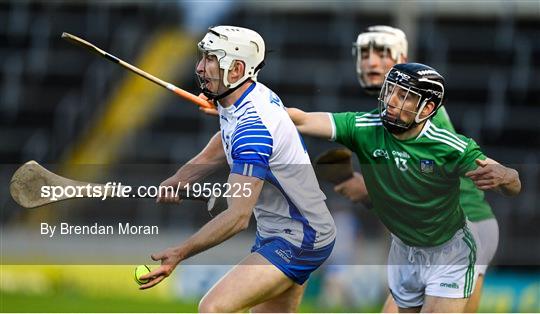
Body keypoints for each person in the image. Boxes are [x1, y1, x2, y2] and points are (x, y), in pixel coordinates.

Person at [287, 62, 521, 312]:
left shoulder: (449, 146)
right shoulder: (365, 127)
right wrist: (262, 106)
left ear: (427, 108)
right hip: (403, 251)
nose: (391, 100)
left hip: (449, 252)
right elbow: (302, 120)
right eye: (390, 91)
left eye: (404, 96)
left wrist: (507, 176)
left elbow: (513, 183)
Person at [139, 25, 336, 313]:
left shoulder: (252, 130)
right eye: (202, 57)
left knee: (213, 308)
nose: (200, 68)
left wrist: (180, 253)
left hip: (300, 237)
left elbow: (237, 216)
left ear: (236, 69)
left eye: (210, 60)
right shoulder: (245, 99)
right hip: (287, 229)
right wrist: (181, 178)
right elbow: (224, 140)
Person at [339, 25, 500, 313]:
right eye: (365, 53)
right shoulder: (393, 110)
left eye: (382, 53)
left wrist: (366, 188)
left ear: (402, 58)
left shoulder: (420, 109)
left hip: (464, 225)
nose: (371, 62)